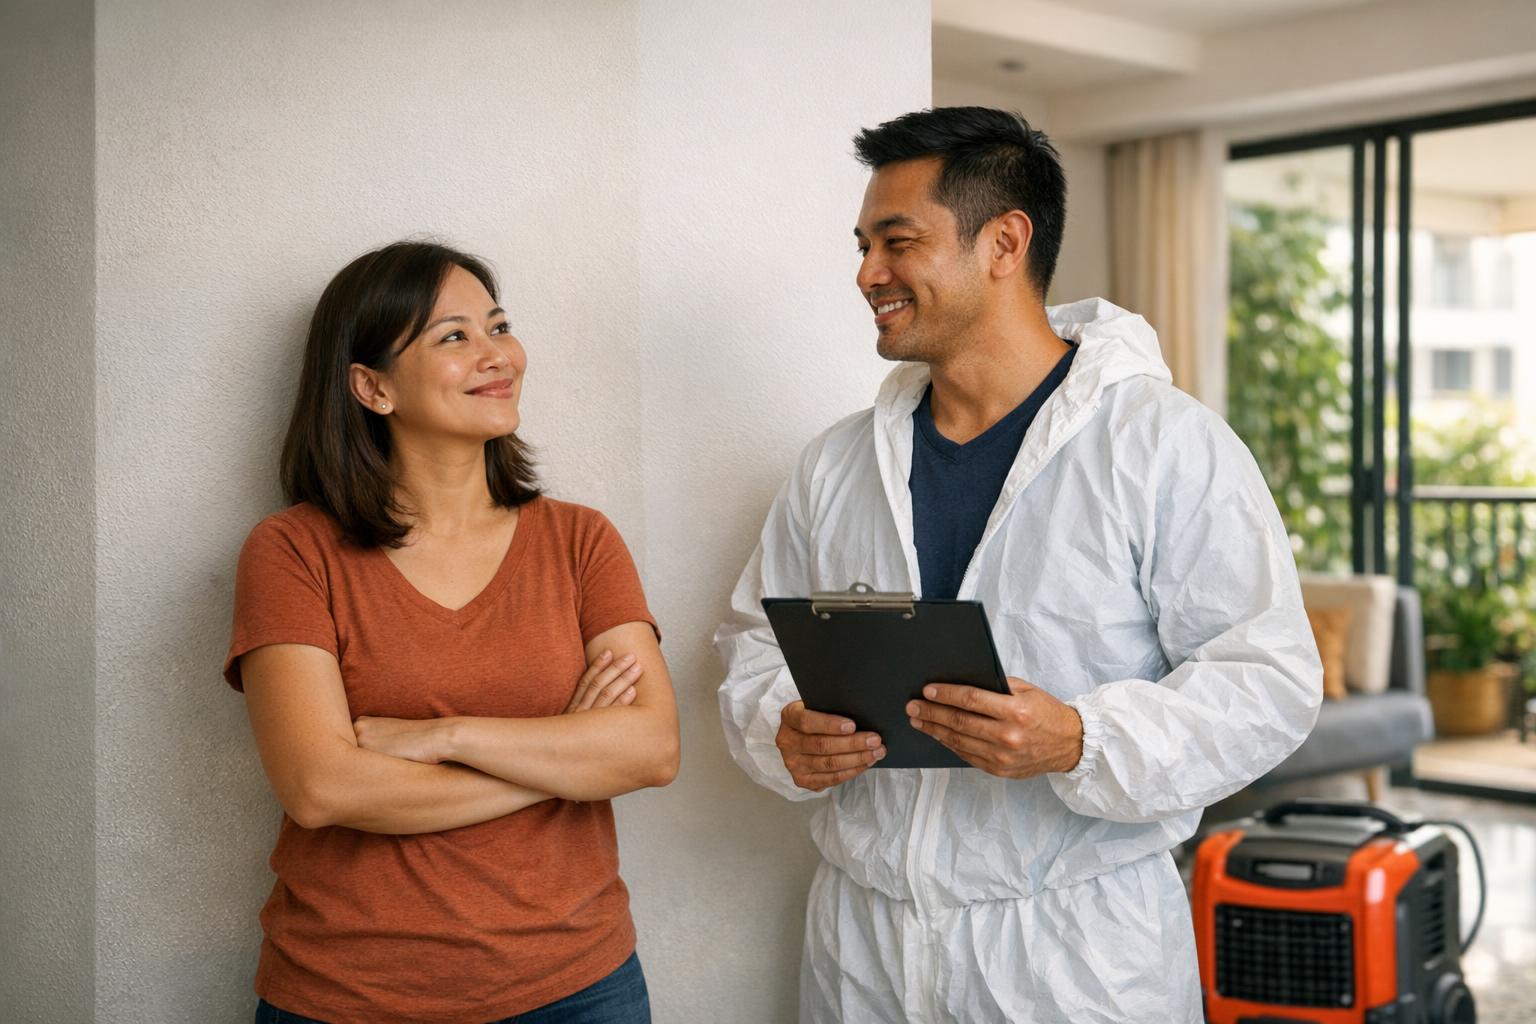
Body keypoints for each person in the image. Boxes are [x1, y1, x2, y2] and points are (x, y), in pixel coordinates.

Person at [715, 107, 1321, 1022]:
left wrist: (1081, 739)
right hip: (863, 952)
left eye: (897, 241)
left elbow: (1270, 679)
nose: (866, 273)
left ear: (1004, 242)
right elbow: (756, 643)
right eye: (863, 244)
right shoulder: (835, 463)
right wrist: (782, 726)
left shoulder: (1164, 445)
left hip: (1073, 963)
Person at [225, 241, 679, 1023]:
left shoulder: (580, 541)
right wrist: (564, 752)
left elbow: (650, 750)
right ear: (371, 386)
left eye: (497, 326)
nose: (496, 355)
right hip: (348, 995)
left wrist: (443, 736)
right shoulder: (292, 552)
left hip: (578, 986)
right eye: (453, 337)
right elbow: (321, 787)